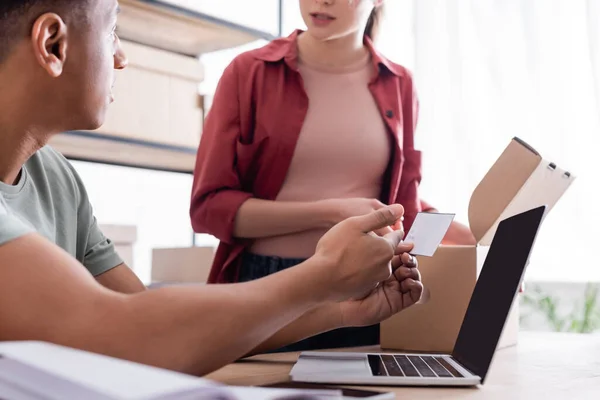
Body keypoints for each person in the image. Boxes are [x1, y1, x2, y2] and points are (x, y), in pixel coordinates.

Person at [0, 0, 423, 377]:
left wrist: (344, 313)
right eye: (112, 29)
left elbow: (170, 332)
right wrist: (323, 276)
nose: (121, 57)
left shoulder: (58, 179)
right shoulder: (250, 71)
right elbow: (125, 334)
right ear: (53, 44)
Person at [190, 0, 474, 351]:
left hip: (367, 287)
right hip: (269, 284)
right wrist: (333, 211)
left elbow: (403, 207)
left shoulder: (400, 84)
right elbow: (208, 208)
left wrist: (477, 242)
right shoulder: (248, 72)